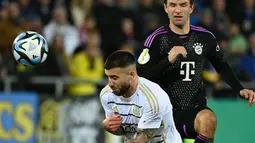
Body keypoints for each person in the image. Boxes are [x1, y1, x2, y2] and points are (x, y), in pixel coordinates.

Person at [137, 0, 255, 143]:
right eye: (173, 5)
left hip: (192, 110)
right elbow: (141, 78)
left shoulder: (205, 37)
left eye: (183, 5)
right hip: (162, 113)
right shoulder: (156, 39)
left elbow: (221, 65)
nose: (178, 10)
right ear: (166, 8)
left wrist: (239, 89)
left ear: (191, 8)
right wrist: (168, 60)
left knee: (208, 120)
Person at [100, 51, 182, 143]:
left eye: (114, 78)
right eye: (108, 77)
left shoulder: (152, 97)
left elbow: (143, 138)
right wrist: (108, 126)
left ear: (131, 75)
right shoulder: (106, 95)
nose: (110, 84)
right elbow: (124, 131)